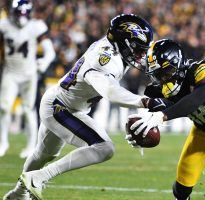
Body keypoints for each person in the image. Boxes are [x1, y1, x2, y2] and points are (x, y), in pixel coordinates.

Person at [3, 13, 168, 200]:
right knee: (104, 148)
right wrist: (144, 101)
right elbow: (110, 91)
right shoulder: (104, 58)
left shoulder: (115, 49)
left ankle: (18, 194)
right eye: (138, 49)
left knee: (43, 154)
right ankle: (39, 178)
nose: (139, 55)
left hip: (62, 102)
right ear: (124, 42)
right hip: (61, 108)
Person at [127, 39, 205, 200]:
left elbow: (198, 98)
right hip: (203, 132)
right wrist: (140, 127)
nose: (162, 79)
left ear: (177, 63)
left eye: (164, 73)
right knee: (183, 183)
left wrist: (162, 116)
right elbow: (159, 102)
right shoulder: (167, 87)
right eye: (157, 75)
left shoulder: (200, 70)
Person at [0, 0, 56, 158]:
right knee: (4, 107)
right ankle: (3, 143)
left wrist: (43, 63)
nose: (21, 17)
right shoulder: (4, 25)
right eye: (18, 13)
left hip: (29, 73)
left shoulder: (36, 26)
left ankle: (31, 146)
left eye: (23, 13)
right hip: (10, 72)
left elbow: (50, 52)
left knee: (28, 109)